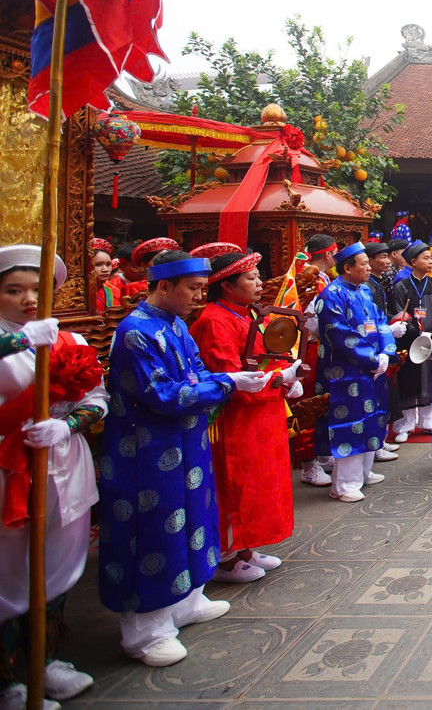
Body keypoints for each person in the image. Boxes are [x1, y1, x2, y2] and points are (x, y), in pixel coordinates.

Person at [99, 250, 273, 666]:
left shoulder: (175, 324)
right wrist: (229, 385)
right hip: (148, 450)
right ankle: (145, 630)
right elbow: (164, 394)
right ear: (164, 286)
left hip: (185, 442)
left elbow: (195, 373)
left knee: (193, 516)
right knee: (155, 530)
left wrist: (228, 378)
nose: (199, 297)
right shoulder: (136, 333)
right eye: (193, 289)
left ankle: (188, 598)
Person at [0, 246, 103, 707]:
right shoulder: (13, 344)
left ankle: (45, 659)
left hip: (64, 462)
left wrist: (68, 423)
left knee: (58, 565)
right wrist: (21, 342)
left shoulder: (71, 341)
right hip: (9, 471)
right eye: (14, 290)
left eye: (38, 289)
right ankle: (6, 678)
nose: (28, 299)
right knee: (8, 573)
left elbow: (98, 397)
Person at [187, 245, 303, 585]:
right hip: (236, 416)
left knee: (260, 480)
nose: (259, 283)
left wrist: (285, 377)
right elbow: (228, 374)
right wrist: (279, 379)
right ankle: (226, 556)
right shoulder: (214, 319)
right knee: (235, 481)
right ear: (227, 285)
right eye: (251, 278)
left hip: (262, 411)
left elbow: (269, 354)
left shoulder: (247, 313)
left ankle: (247, 546)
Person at [310, 242, 394, 503]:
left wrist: (385, 351)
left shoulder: (365, 292)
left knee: (373, 418)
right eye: (364, 264)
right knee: (349, 424)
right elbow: (340, 335)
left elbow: (381, 322)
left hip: (371, 370)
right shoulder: (330, 296)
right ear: (347, 268)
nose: (369, 267)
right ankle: (344, 484)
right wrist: (372, 358)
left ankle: (364, 473)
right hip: (344, 373)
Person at [293, 234, 337, 487]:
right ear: (329, 255)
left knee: (322, 401)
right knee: (309, 404)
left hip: (321, 346)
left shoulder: (319, 278)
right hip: (308, 347)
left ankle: (321, 452)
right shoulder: (308, 280)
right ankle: (308, 464)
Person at [389, 242, 432, 442]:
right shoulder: (401, 286)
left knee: (430, 378)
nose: (430, 262)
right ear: (413, 262)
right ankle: (405, 425)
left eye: (430, 258)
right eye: (425, 258)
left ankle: (428, 421)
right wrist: (415, 332)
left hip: (430, 339)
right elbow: (398, 312)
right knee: (409, 379)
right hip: (409, 341)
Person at [362, 242, 402, 463]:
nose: (386, 261)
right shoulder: (366, 287)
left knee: (382, 395)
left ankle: (380, 439)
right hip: (370, 349)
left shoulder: (376, 283)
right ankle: (375, 444)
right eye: (382, 257)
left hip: (381, 345)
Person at [90, 237, 121, 313]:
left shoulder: (115, 292)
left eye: (108, 264)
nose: (105, 269)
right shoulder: (74, 297)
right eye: (98, 265)